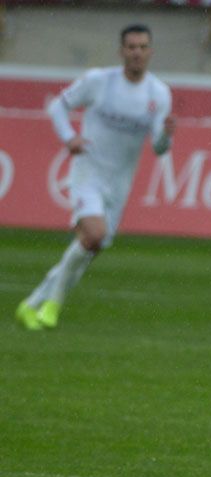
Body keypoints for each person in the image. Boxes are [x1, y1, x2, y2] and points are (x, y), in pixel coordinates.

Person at [15, 24, 174, 330]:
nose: (137, 53)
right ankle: (53, 305)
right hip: (88, 172)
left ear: (150, 52)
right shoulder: (99, 81)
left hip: (119, 184)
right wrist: (69, 137)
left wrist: (166, 135)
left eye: (142, 47)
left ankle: (32, 303)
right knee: (94, 235)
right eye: (131, 47)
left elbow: (158, 147)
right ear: (121, 51)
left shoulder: (158, 94)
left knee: (89, 248)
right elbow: (58, 106)